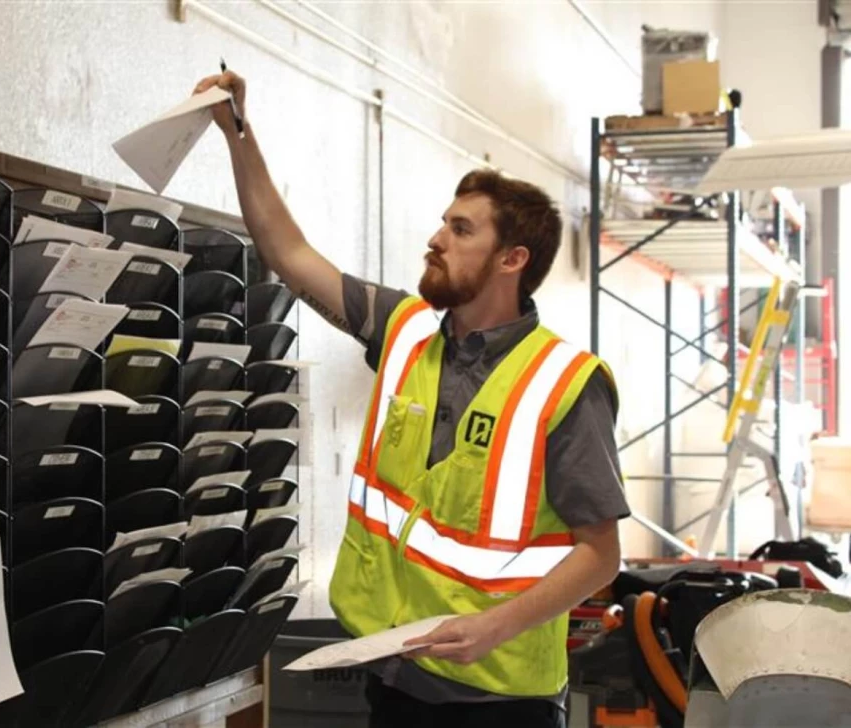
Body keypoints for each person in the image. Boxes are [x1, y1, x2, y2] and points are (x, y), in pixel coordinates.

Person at [193, 70, 630, 728]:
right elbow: (287, 252)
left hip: (499, 700)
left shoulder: (565, 382)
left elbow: (602, 555)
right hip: (394, 680)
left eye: (460, 230)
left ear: (511, 260)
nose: (436, 240)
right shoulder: (403, 329)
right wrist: (238, 134)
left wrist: (494, 627)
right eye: (442, 225)